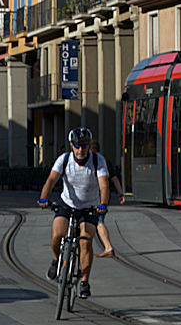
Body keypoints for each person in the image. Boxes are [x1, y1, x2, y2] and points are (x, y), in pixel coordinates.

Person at [38, 127, 110, 299]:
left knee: (85, 240)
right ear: (71, 145)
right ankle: (57, 260)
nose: (80, 149)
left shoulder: (97, 160)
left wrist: (103, 204)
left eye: (84, 145)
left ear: (89, 146)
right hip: (67, 204)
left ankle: (84, 282)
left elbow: (104, 185)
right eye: (77, 145)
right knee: (57, 234)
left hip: (89, 207)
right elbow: (51, 179)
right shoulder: (63, 160)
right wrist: (43, 198)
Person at [90, 141, 126, 258]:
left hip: (97, 197)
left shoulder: (94, 161)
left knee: (99, 221)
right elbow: (114, 178)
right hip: (104, 196)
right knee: (97, 221)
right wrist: (121, 194)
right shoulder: (105, 160)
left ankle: (108, 247)